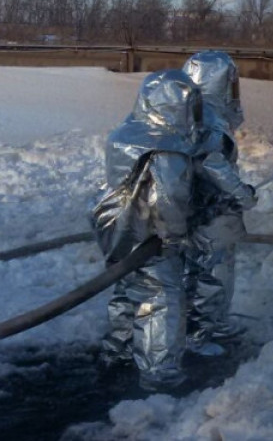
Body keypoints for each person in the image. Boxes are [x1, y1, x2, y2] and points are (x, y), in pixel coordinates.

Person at [90, 69, 202, 391]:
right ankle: (160, 375)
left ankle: (120, 349)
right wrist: (177, 233)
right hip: (148, 235)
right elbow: (170, 197)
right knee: (162, 297)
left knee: (127, 288)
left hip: (118, 230)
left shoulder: (126, 133)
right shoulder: (167, 146)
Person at [181, 50, 257, 356]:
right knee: (212, 271)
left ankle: (210, 323)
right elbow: (212, 163)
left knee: (204, 268)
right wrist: (240, 192)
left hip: (202, 210)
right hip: (211, 212)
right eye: (231, 82)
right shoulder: (210, 120)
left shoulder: (195, 113)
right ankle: (201, 332)